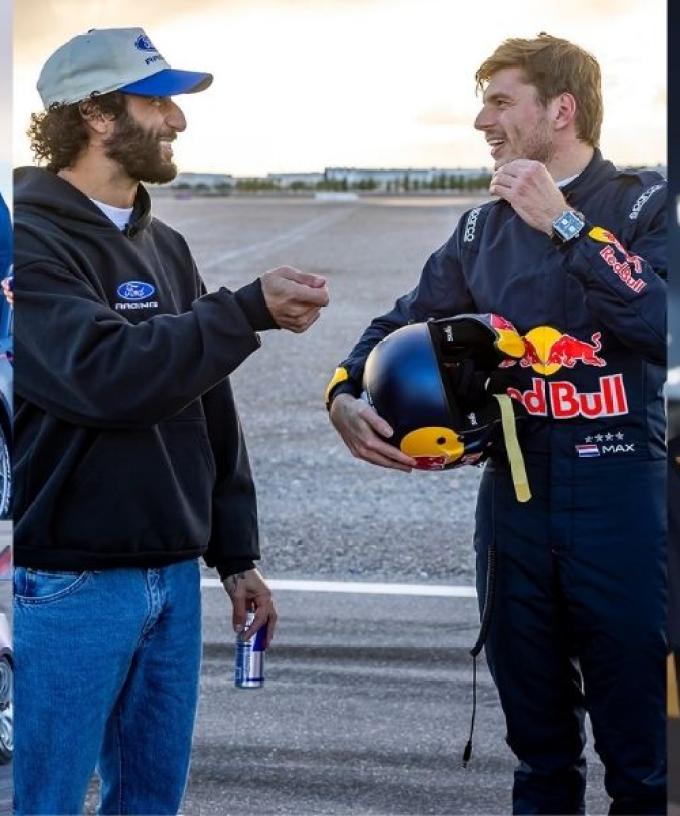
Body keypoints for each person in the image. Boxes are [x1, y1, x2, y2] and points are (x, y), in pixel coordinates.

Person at [327, 34, 666, 815]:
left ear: (561, 110)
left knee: (643, 766)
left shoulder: (646, 206)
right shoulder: (481, 230)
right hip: (515, 509)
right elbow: (399, 323)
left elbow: (660, 320)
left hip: (623, 503)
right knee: (540, 757)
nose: (483, 121)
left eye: (501, 102)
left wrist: (566, 226)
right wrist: (343, 391)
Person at [13, 27, 329, 815]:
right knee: (48, 802)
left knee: (152, 802)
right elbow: (103, 375)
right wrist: (245, 311)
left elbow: (205, 401)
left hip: (173, 576)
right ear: (95, 113)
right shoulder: (27, 241)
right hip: (73, 582)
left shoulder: (167, 245)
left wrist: (236, 555)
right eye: (155, 102)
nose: (177, 120)